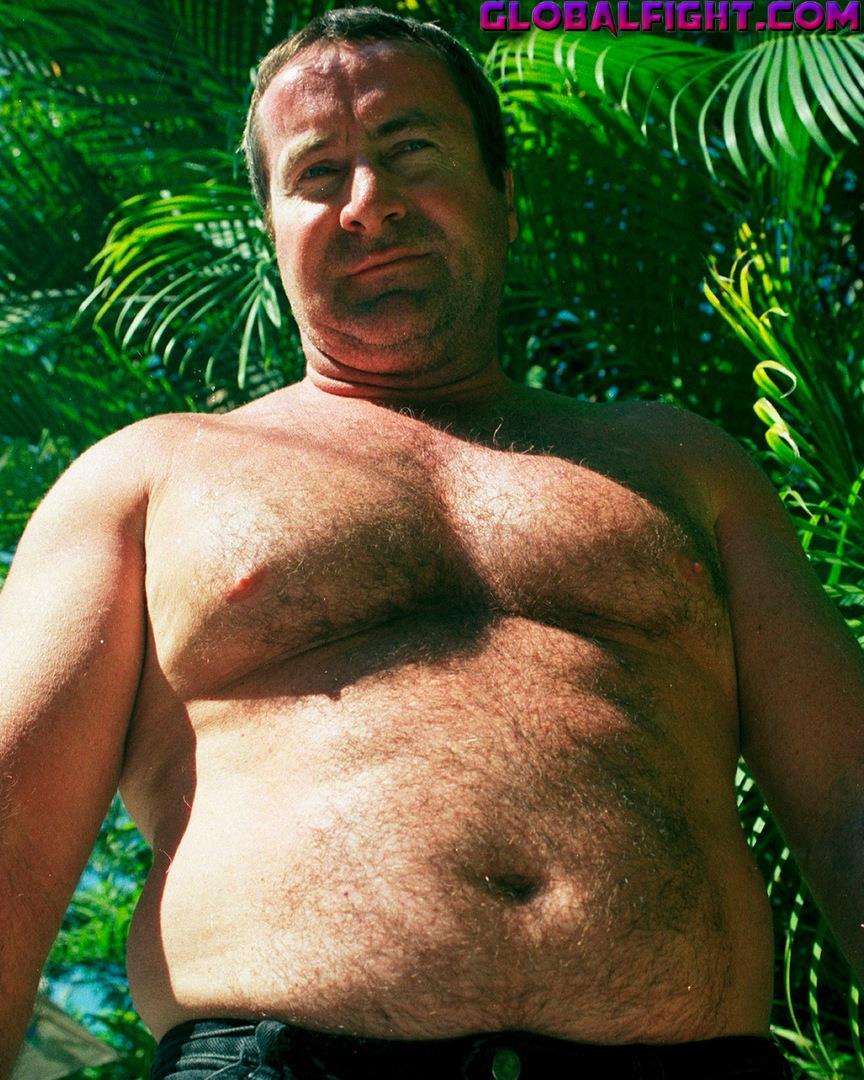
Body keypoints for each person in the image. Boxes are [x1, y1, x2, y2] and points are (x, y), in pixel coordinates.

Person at [2, 8, 861, 1078]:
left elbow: (847, 799)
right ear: (273, 228)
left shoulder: (685, 465)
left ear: (504, 196)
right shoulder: (145, 475)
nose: (370, 201)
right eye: (318, 174)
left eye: (411, 150)